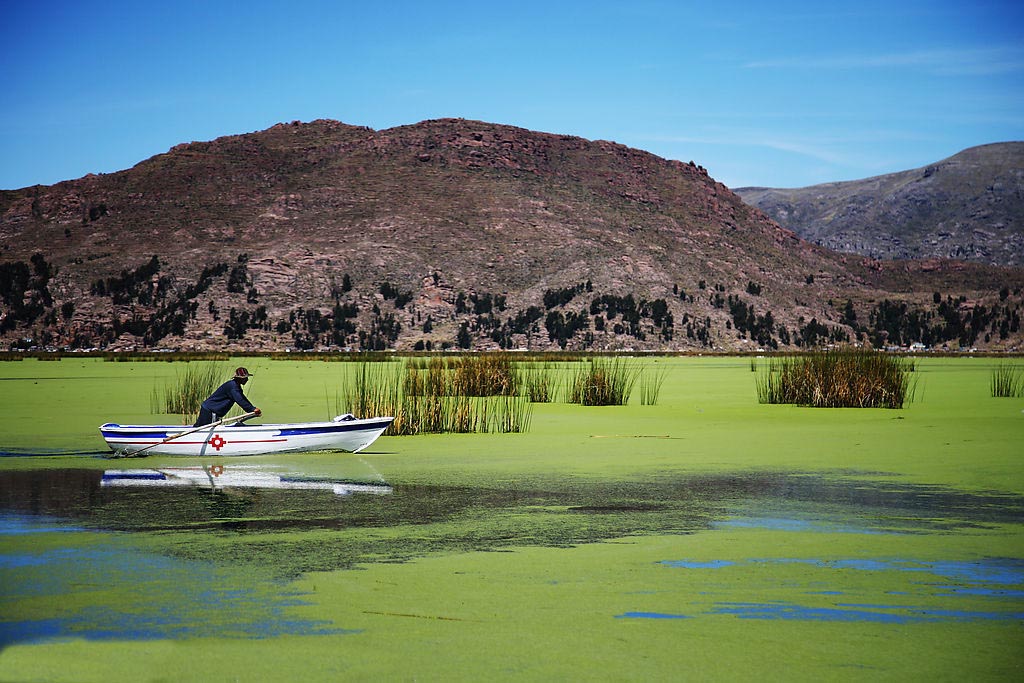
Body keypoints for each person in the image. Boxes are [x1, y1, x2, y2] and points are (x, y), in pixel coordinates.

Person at [193, 367, 262, 427]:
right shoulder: (233, 387)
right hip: (210, 411)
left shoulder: (235, 386)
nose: (247, 379)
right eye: (244, 378)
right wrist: (252, 409)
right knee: (201, 429)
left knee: (200, 427)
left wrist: (252, 409)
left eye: (246, 377)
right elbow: (240, 400)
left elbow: (242, 398)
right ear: (238, 378)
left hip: (211, 410)